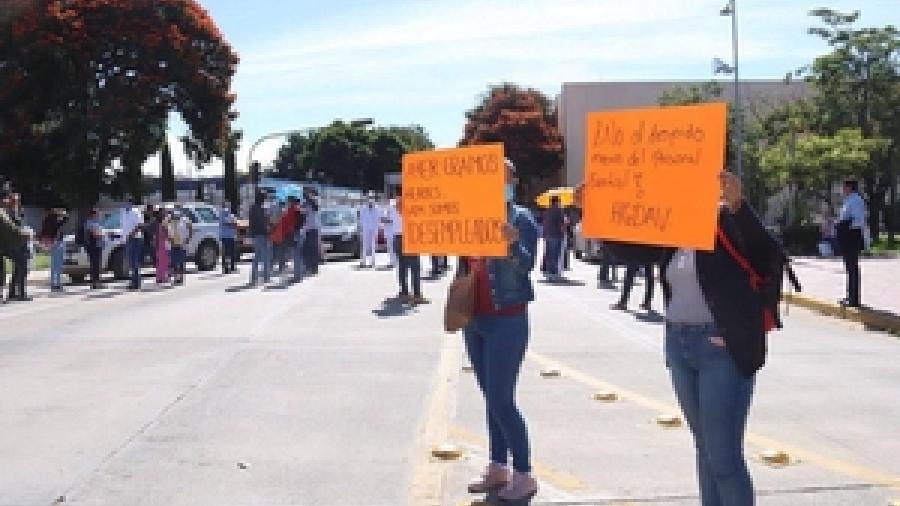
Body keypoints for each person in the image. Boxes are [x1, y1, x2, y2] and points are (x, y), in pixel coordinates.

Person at [608, 171, 780, 506]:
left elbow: (768, 255)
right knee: (704, 449)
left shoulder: (727, 220)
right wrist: (596, 215)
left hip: (721, 348)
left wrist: (738, 206)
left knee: (724, 458)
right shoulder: (677, 228)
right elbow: (636, 252)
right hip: (679, 343)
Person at [461, 158, 539, 503]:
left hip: (507, 319)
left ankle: (524, 473)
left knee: (501, 399)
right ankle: (497, 465)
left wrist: (512, 245)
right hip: (475, 318)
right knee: (490, 398)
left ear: (513, 182)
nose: (498, 182)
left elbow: (528, 265)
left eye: (504, 177)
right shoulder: (471, 214)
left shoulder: (521, 218)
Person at [391, 193, 427, 304]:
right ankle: (416, 295)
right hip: (409, 238)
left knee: (402, 266)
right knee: (415, 267)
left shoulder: (393, 206)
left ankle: (404, 292)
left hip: (397, 238)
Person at [836, 179, 866, 308]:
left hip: (852, 237)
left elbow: (858, 220)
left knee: (852, 267)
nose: (843, 189)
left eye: (844, 187)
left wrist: (844, 226)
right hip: (847, 237)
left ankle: (854, 299)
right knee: (849, 267)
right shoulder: (848, 200)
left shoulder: (856, 200)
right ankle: (850, 296)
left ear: (850, 187)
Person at [0, 190, 29, 302]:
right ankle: (20, 293)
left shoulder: (18, 212)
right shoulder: (7, 213)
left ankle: (14, 292)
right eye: (15, 200)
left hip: (20, 243)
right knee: (21, 266)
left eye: (18, 200)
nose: (16, 202)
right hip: (13, 244)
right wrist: (23, 232)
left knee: (19, 268)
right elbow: (11, 228)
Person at [40, 208, 68, 292]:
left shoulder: (46, 221)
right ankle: (58, 283)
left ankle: (53, 283)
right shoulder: (55, 222)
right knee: (58, 265)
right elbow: (65, 218)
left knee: (54, 264)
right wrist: (63, 213)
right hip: (57, 242)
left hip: (52, 243)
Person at [120, 199, 144, 290]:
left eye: (128, 202)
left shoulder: (136, 211)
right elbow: (123, 227)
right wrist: (124, 238)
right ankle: (133, 281)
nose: (126, 204)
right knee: (131, 262)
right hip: (127, 240)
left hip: (136, 239)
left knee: (135, 262)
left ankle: (136, 283)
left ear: (131, 203)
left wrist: (131, 234)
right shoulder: (123, 212)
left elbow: (139, 225)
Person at [249, 192, 271, 285]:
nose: (265, 201)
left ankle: (254, 278)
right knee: (265, 257)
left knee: (257, 257)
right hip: (262, 234)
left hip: (255, 234)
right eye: (264, 199)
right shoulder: (259, 209)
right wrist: (267, 226)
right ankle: (266, 277)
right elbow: (262, 222)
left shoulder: (253, 208)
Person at [542, 196, 565, 280]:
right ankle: (553, 273)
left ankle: (548, 272)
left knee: (549, 253)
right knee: (555, 254)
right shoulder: (559, 211)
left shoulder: (547, 210)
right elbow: (561, 224)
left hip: (548, 235)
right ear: (557, 202)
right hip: (556, 234)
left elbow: (544, 223)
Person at [168, 204, 192, 285]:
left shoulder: (185, 219)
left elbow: (190, 228)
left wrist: (188, 238)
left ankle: (181, 277)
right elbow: (168, 230)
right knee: (174, 261)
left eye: (178, 208)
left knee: (181, 261)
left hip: (182, 243)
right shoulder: (170, 220)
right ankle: (176, 277)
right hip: (173, 243)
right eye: (175, 208)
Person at [302, 188, 321, 276]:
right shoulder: (306, 203)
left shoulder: (315, 201)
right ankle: (309, 267)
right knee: (307, 249)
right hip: (307, 229)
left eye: (309, 193)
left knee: (313, 249)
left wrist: (311, 199)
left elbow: (316, 207)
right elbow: (303, 214)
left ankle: (314, 268)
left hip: (313, 228)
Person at [83, 208, 104, 289]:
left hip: (98, 245)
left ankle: (97, 282)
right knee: (95, 265)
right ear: (93, 214)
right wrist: (103, 234)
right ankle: (95, 283)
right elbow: (94, 234)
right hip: (93, 246)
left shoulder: (97, 222)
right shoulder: (89, 223)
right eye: (97, 213)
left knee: (97, 264)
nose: (98, 215)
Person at [359, 197, 381, 268]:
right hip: (366, 229)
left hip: (373, 230)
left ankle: (373, 261)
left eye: (372, 201)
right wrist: (362, 228)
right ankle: (363, 261)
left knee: (373, 246)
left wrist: (377, 230)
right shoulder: (363, 209)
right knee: (365, 246)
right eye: (369, 200)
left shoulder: (377, 209)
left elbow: (378, 220)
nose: (370, 202)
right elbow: (361, 219)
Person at [289, 197, 307, 281]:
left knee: (296, 256)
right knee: (300, 255)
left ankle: (297, 276)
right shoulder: (302, 211)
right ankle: (300, 275)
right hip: (301, 232)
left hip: (296, 233)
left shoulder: (295, 211)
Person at [219, 202, 238, 274]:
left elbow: (234, 223)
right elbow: (232, 223)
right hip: (229, 236)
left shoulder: (223, 214)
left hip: (226, 235)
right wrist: (232, 223)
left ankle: (227, 267)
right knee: (229, 252)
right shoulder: (226, 214)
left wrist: (233, 223)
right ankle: (229, 268)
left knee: (227, 253)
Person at [154, 209, 171, 285]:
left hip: (160, 244)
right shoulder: (164, 224)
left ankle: (159, 277)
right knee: (164, 261)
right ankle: (163, 277)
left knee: (160, 261)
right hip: (163, 243)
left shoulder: (158, 224)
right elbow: (167, 234)